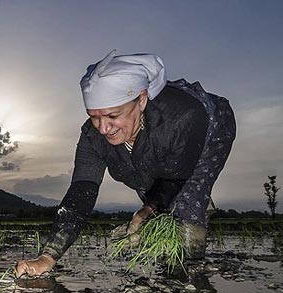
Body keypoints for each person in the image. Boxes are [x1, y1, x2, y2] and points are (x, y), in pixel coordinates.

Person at [15, 50, 236, 278]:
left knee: (186, 204)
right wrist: (48, 257)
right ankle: (175, 212)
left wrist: (149, 207)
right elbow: (82, 191)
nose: (103, 128)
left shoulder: (182, 119)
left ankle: (188, 273)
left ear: (141, 100)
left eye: (112, 116)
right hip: (155, 151)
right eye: (94, 116)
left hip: (209, 128)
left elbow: (174, 177)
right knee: (147, 191)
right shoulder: (92, 136)